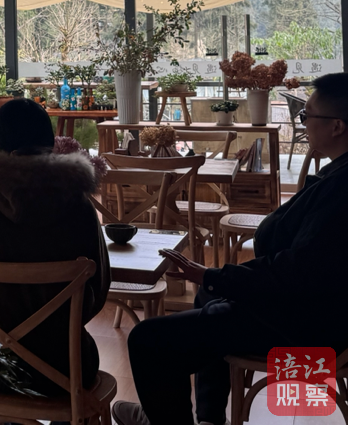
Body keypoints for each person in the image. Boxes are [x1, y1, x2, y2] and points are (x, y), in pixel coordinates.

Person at [113, 71, 348, 425]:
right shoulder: (338, 176)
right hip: (308, 306)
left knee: (148, 340)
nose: (303, 123)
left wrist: (213, 275)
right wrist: (214, 280)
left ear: (337, 126)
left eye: (307, 116)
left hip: (307, 325)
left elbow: (297, 271)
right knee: (208, 295)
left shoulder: (341, 191)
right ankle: (209, 418)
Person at [0, 98, 109, 402]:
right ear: (49, 143)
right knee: (76, 385)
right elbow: (98, 291)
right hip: (68, 364)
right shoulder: (78, 205)